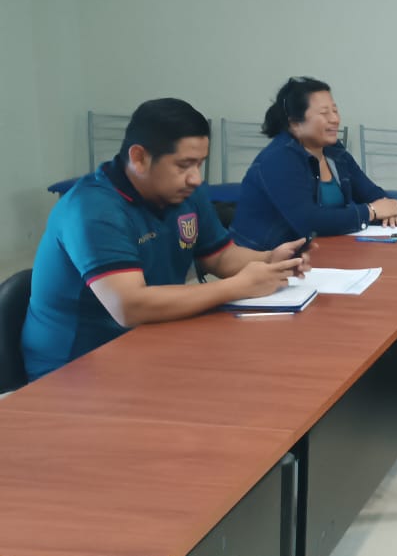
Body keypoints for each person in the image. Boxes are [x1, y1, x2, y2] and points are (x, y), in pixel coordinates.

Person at [22, 98, 311, 381]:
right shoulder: (92, 209)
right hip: (73, 370)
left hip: (149, 341)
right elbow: (129, 307)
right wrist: (237, 286)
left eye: (200, 164)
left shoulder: (185, 193)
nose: (195, 178)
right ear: (139, 158)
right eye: (184, 165)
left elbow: (221, 257)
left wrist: (269, 259)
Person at [230, 77, 397, 250]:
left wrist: (390, 207)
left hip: (320, 251)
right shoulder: (278, 159)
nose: (335, 119)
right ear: (295, 124)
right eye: (324, 113)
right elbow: (310, 221)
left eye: (335, 110)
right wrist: (372, 211)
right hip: (264, 258)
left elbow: (370, 192)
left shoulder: (333, 150)